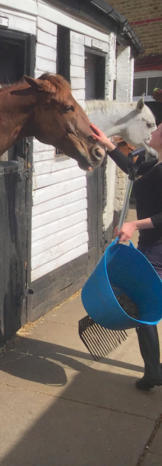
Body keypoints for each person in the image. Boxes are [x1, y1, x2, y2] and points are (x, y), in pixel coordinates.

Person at [90, 121, 162, 390]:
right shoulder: (152, 162)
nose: (152, 131)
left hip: (158, 246)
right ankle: (154, 369)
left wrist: (133, 224)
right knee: (145, 301)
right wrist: (108, 145)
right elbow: (132, 170)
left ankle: (154, 370)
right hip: (150, 243)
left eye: (158, 129)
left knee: (144, 304)